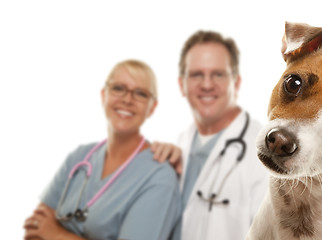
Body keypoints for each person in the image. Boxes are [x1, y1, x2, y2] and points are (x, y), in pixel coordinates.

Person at [23, 60, 181, 240]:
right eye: (118, 88)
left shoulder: (159, 177)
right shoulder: (79, 158)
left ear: (152, 108)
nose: (127, 99)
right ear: (103, 95)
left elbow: (47, 231)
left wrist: (57, 234)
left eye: (140, 94)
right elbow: (35, 228)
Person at [153, 30, 269, 240]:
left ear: (236, 82)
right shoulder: (182, 142)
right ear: (182, 84)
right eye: (197, 74)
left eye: (218, 74)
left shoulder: (262, 153)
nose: (207, 85)